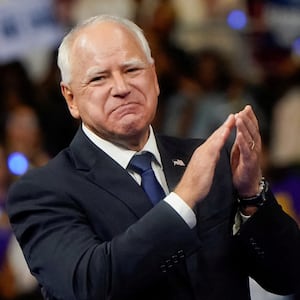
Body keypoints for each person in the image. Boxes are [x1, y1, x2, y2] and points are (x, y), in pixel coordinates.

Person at [6, 15, 300, 300]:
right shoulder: (41, 191)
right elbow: (88, 286)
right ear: (71, 98)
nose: (121, 88)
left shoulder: (209, 160)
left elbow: (289, 275)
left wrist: (252, 197)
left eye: (132, 70)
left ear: (155, 77)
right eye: (99, 78)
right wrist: (183, 199)